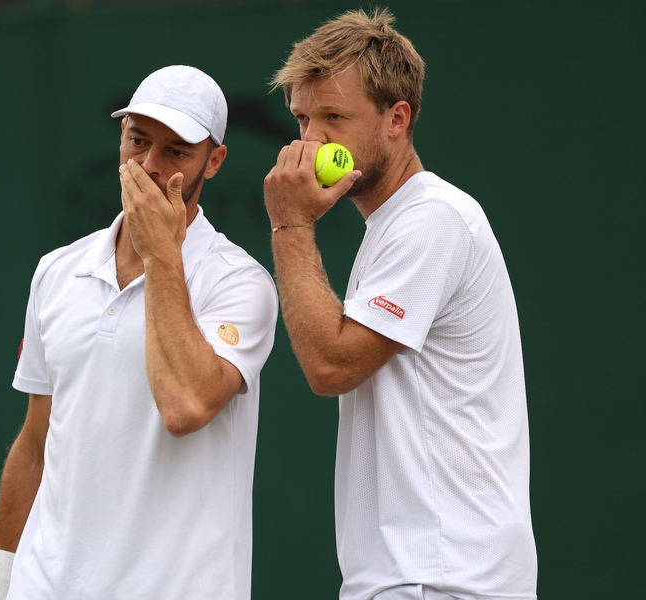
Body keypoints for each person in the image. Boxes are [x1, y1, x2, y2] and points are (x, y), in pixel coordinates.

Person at [263, 8, 537, 600]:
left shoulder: (431, 219)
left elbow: (331, 365)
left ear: (397, 119)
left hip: (442, 578)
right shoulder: (399, 223)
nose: (311, 141)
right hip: (425, 576)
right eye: (303, 118)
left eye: (334, 117)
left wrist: (291, 225)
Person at [0, 65, 278, 600]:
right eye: (138, 141)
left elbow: (185, 407)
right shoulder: (56, 271)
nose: (150, 166)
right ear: (121, 136)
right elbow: (35, 446)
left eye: (176, 151)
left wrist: (161, 254)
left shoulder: (240, 283)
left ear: (214, 161)